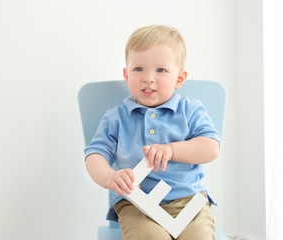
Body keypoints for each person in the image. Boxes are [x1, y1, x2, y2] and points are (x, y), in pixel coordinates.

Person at [84, 25, 220, 240]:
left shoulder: (191, 110)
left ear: (179, 79)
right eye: (138, 69)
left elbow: (211, 148)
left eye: (161, 70)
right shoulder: (116, 118)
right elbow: (94, 155)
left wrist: (172, 150)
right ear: (126, 75)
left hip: (189, 201)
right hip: (136, 205)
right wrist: (110, 177)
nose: (148, 78)